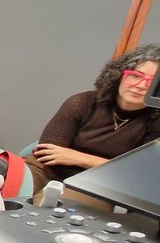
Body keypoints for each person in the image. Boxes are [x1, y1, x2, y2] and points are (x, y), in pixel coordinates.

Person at [26, 44, 160, 196]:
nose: (141, 86)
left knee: (49, 210)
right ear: (120, 75)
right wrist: (109, 167)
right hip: (45, 170)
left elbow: (138, 175)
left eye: (153, 82)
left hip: (99, 186)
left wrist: (78, 158)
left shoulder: (156, 123)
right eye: (136, 76)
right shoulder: (82, 102)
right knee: (4, 179)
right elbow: (46, 153)